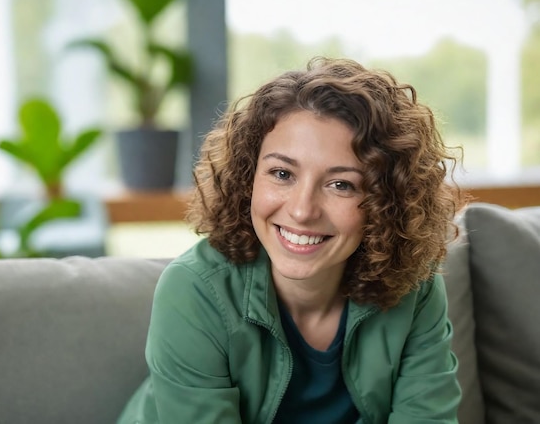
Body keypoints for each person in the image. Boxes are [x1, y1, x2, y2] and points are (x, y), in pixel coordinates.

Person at [118, 57, 465, 423]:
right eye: (282, 173)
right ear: (248, 177)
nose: (302, 211)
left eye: (341, 184)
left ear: (386, 202)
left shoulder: (414, 285)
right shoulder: (193, 290)